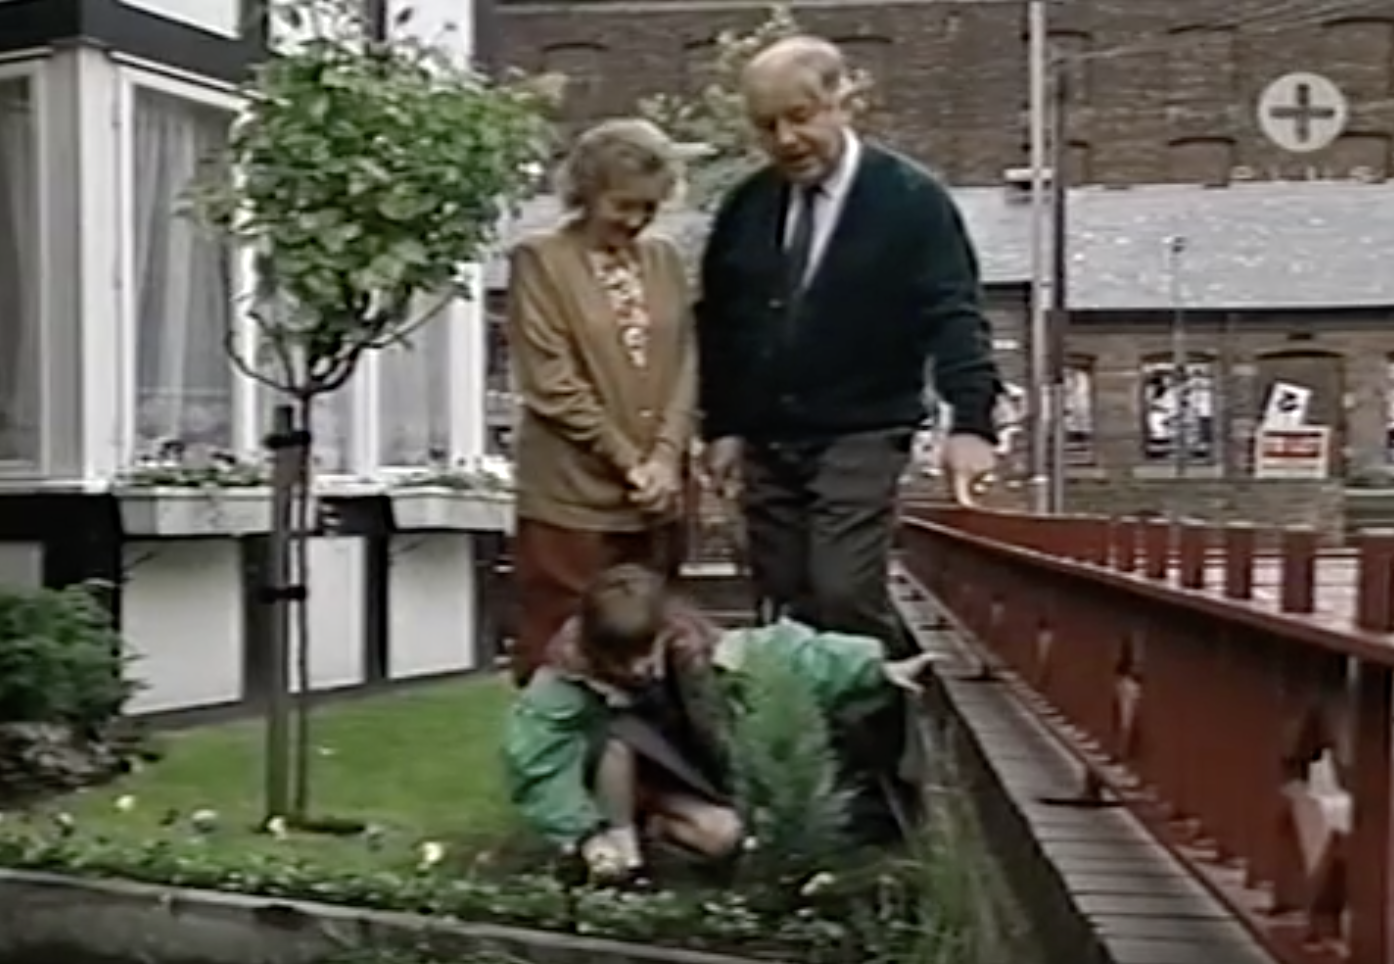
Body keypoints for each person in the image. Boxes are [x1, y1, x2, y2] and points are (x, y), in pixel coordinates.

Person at [695, 35, 1001, 650]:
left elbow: (954, 313)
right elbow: (721, 322)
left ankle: (881, 704)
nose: (786, 140)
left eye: (800, 117)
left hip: (864, 430)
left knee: (843, 590)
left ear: (843, 101)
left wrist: (972, 422)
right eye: (767, 126)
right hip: (768, 440)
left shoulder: (911, 201)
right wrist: (722, 426)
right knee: (783, 598)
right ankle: (810, 714)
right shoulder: (747, 207)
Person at [502, 564, 935, 883]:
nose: (636, 670)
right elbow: (538, 763)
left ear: (664, 633)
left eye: (644, 654)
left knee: (724, 837)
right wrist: (582, 832)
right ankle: (622, 843)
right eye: (620, 659)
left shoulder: (705, 650)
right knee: (618, 736)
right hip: (607, 781)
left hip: (674, 778)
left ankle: (658, 827)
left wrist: (874, 667)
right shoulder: (563, 680)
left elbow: (788, 656)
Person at [506, 118, 697, 686]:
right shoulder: (540, 260)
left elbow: (686, 361)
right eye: (623, 205)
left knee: (650, 643)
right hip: (570, 495)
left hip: (655, 499)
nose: (635, 220)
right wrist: (629, 461)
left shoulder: (663, 259)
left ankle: (644, 744)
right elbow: (550, 380)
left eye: (649, 207)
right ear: (586, 193)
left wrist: (666, 458)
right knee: (561, 643)